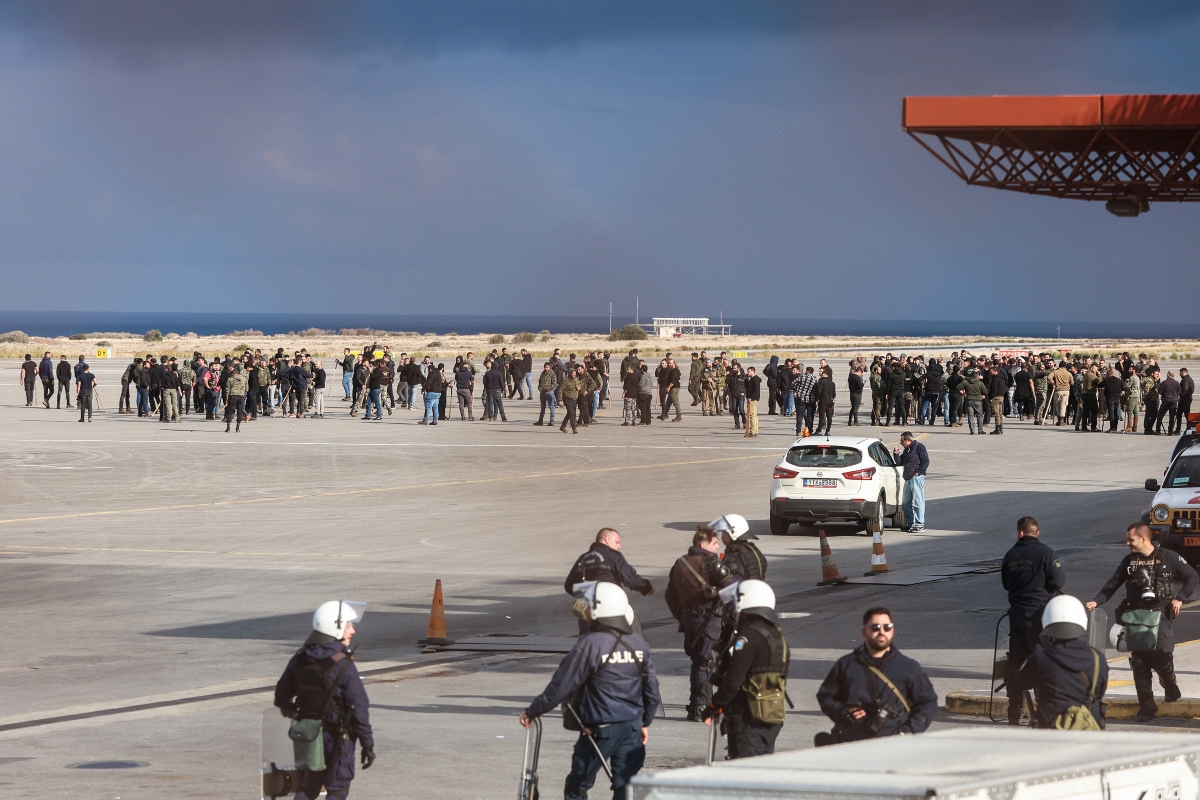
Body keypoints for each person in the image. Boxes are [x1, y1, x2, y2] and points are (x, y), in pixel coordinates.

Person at [520, 583, 660, 800]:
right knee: (625, 787)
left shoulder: (590, 644)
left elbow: (561, 685)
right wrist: (644, 722)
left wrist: (533, 711)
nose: (584, 609)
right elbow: (651, 688)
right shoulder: (638, 644)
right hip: (631, 725)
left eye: (588, 605)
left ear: (599, 608)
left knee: (577, 787)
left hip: (600, 728)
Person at [1086, 522, 1198, 721]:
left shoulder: (1168, 557)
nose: (1127, 543)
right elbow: (1113, 583)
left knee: (1162, 656)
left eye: (1131, 539)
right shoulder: (1129, 561)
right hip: (1136, 616)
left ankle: (1170, 687)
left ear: (1144, 539)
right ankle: (1146, 705)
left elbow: (1191, 576)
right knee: (1139, 662)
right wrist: (1097, 600)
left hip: (1160, 614)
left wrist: (1179, 598)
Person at [274, 601, 374, 800]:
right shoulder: (342, 664)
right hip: (337, 737)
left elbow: (281, 695)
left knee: (307, 785)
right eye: (348, 626)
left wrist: (290, 709)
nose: (352, 631)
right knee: (337, 788)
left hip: (307, 734)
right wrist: (367, 742)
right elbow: (358, 706)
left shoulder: (300, 658)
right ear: (335, 628)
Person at [814, 607, 937, 746]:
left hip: (893, 747)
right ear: (864, 632)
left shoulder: (908, 667)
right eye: (875, 627)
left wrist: (908, 732)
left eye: (887, 627)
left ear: (893, 631)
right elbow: (825, 696)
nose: (881, 632)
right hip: (851, 747)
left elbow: (928, 702)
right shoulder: (847, 665)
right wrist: (842, 713)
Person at [703, 580, 789, 759]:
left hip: (747, 717)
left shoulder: (748, 637)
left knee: (745, 772)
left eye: (736, 605)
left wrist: (714, 705)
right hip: (771, 716)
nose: (734, 611)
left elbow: (733, 679)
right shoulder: (776, 636)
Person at [999, 516, 1066, 724]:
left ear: (1020, 533)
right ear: (1037, 532)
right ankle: (1042, 710)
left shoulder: (1010, 555)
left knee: (1016, 661)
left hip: (1017, 615)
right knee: (1040, 662)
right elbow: (1058, 581)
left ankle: (1014, 709)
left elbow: (1006, 584)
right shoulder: (1047, 553)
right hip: (1040, 616)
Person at [1009, 595, 1108, 729]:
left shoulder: (1041, 658)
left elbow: (1019, 682)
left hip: (1051, 727)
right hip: (1087, 727)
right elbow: (1099, 692)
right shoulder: (1098, 658)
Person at [665, 525, 733, 721]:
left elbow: (670, 595)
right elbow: (731, 588)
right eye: (714, 543)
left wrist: (682, 616)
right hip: (709, 619)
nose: (717, 546)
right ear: (703, 544)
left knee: (698, 662)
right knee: (705, 662)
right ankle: (701, 706)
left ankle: (696, 704)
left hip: (689, 619)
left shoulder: (680, 563)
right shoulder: (710, 562)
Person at [564, 528, 655, 633]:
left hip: (587, 611)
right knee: (615, 641)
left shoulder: (582, 559)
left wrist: (587, 593)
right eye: (617, 542)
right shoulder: (612, 555)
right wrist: (647, 587)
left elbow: (568, 585)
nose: (619, 547)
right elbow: (630, 578)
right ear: (607, 540)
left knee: (589, 643)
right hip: (610, 609)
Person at [712, 514, 766, 581]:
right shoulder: (752, 549)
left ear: (733, 533)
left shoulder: (735, 554)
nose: (722, 537)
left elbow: (729, 582)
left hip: (743, 590)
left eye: (724, 533)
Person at [893, 432, 929, 532]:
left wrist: (919, 472)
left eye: (902, 440)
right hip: (908, 478)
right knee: (905, 503)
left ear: (908, 440)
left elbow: (925, 461)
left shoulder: (919, 446)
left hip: (916, 478)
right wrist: (896, 454)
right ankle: (911, 523)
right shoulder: (906, 450)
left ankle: (919, 524)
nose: (901, 442)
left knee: (917, 501)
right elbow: (899, 462)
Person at [225, 363, 248, 432]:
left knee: (230, 411)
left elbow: (227, 389)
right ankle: (238, 427)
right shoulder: (244, 379)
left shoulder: (230, 379)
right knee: (240, 412)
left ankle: (228, 427)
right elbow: (246, 388)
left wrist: (226, 398)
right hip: (241, 396)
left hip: (233, 396)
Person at [744, 366, 761, 437]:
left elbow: (756, 390)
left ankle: (752, 431)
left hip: (753, 399)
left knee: (752, 416)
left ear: (752, 371)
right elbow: (747, 387)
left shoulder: (755, 379)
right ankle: (755, 430)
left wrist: (751, 397)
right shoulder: (751, 379)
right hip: (753, 398)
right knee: (754, 415)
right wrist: (746, 380)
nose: (748, 373)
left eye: (749, 371)